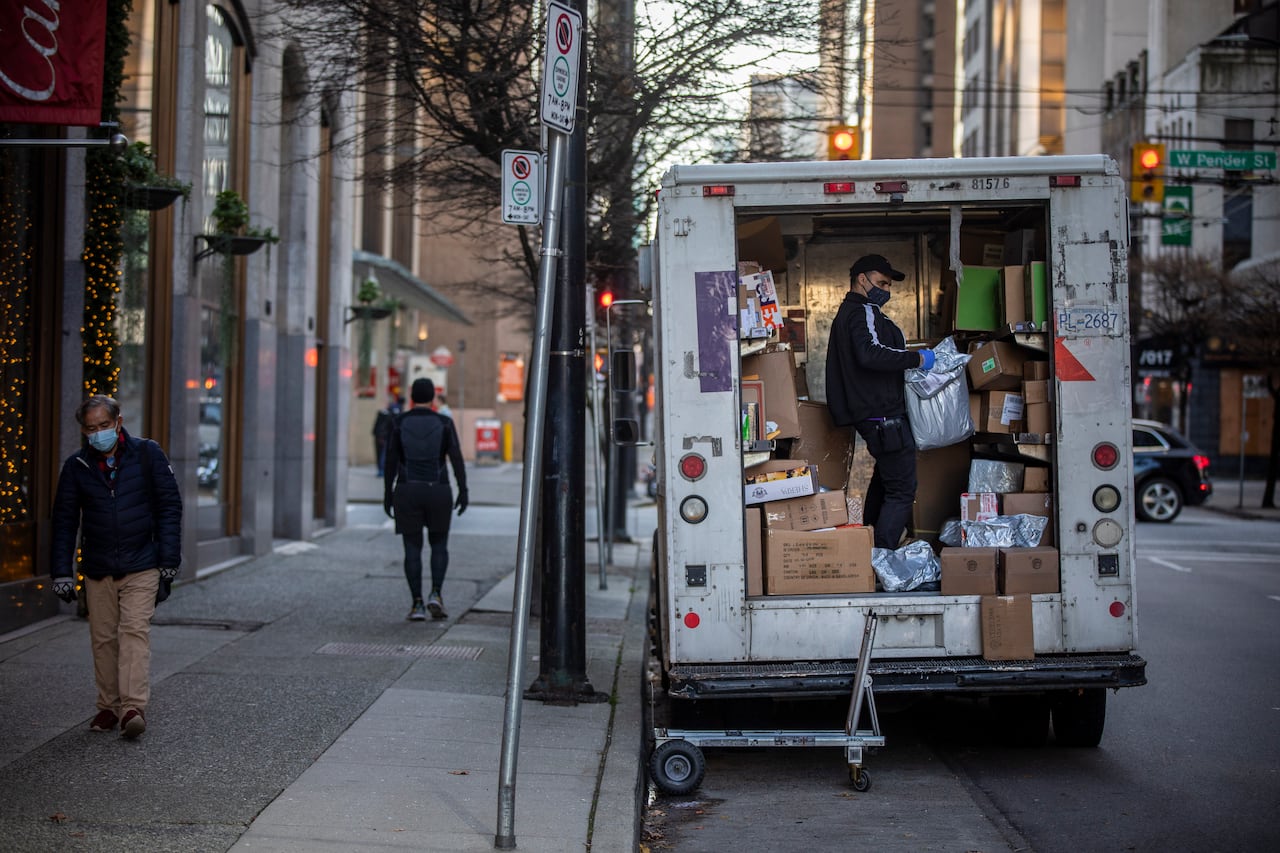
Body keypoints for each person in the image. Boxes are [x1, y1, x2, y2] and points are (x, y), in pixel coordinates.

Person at [50, 395, 183, 739]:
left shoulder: (147, 454)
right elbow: (64, 521)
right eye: (91, 429)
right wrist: (61, 572)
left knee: (134, 633)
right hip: (98, 567)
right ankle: (108, 707)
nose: (98, 434)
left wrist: (168, 563)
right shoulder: (76, 466)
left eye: (104, 426)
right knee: (104, 639)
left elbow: (169, 507)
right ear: (84, 431)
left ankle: (132, 709)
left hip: (143, 563)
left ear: (118, 423)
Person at [825, 254, 936, 550]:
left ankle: (866, 550)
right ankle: (880, 558)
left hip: (876, 414)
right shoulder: (861, 311)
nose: (886, 289)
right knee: (902, 489)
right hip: (883, 416)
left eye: (889, 284)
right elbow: (870, 353)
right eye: (882, 282)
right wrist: (918, 358)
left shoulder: (856, 311)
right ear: (862, 279)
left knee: (886, 483)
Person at [384, 378, 468, 621]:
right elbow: (457, 458)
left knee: (412, 547)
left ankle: (417, 604)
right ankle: (436, 594)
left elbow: (390, 461)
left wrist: (387, 494)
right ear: (433, 397)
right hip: (438, 489)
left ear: (412, 396)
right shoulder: (444, 423)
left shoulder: (398, 423)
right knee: (439, 545)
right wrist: (463, 490)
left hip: (407, 489)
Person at [372, 394, 403, 477]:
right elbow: (378, 426)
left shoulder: (392, 412)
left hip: (386, 436)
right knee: (381, 454)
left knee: (384, 454)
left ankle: (382, 470)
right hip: (382, 436)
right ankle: (381, 469)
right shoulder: (383, 413)